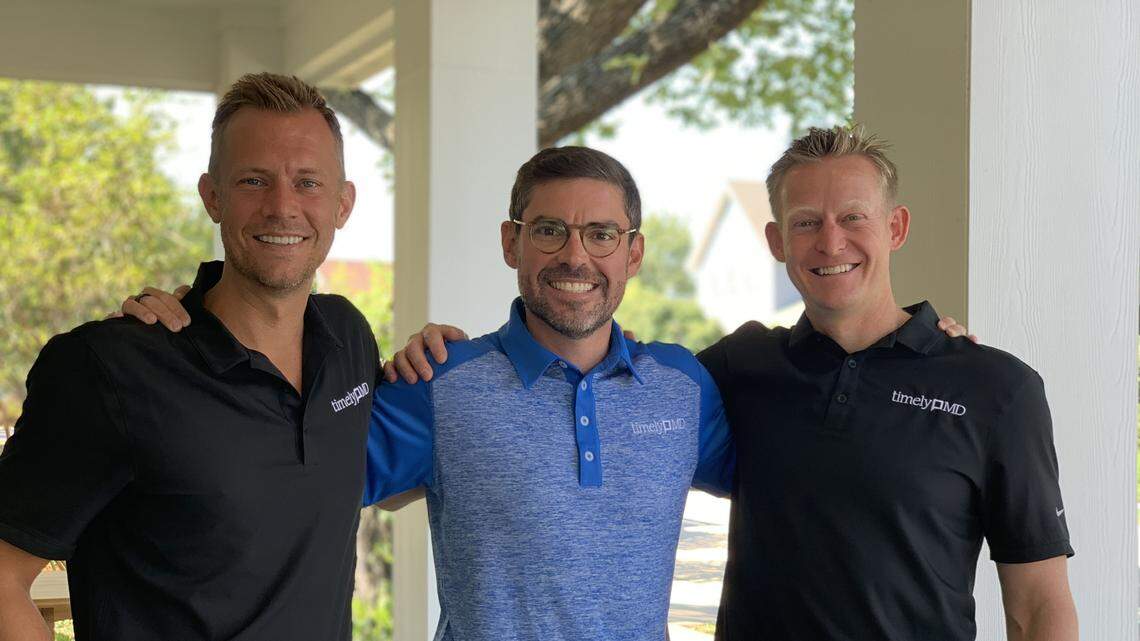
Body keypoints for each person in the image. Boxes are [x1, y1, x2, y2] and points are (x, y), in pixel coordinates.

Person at [390, 126, 1076, 640]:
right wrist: (429, 367)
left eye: (853, 219)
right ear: (777, 240)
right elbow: (590, 381)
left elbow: (1039, 603)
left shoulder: (996, 389)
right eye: (806, 222)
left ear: (894, 227)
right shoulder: (735, 372)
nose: (829, 243)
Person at [0, 72, 376, 641]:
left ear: (342, 204)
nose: (283, 207)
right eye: (254, 180)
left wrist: (438, 350)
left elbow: (405, 465)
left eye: (308, 183)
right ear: (212, 196)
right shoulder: (112, 368)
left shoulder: (349, 340)